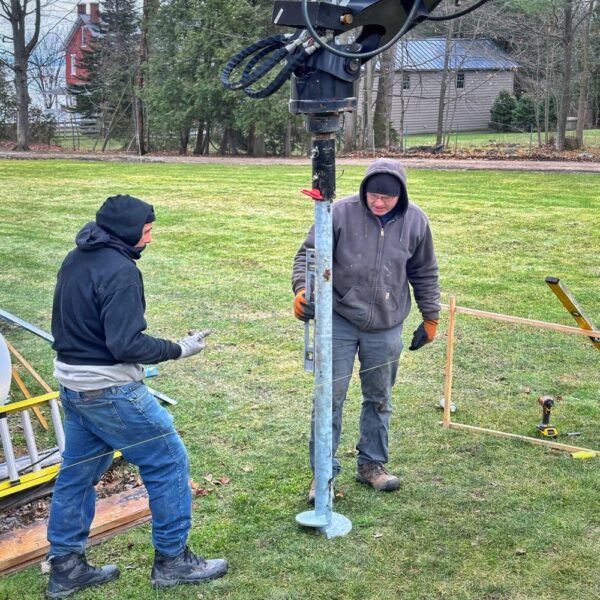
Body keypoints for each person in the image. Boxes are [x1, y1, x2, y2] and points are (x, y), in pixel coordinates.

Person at [46, 195, 228, 599]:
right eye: (147, 229)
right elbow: (126, 344)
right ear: (128, 230)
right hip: (111, 392)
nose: (151, 236)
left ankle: (65, 568)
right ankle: (173, 562)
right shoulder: (120, 271)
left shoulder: (78, 256)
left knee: (77, 474)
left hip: (74, 388)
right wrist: (180, 348)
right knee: (168, 460)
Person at [292, 158, 440, 502]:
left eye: (386, 199)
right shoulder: (339, 213)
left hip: (387, 324)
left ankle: (372, 465)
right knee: (328, 398)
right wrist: (302, 290)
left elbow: (425, 271)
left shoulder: (416, 221)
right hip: (340, 319)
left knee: (380, 397)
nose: (378, 203)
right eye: (373, 195)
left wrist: (430, 317)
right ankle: (323, 473)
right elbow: (307, 256)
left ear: (399, 196)